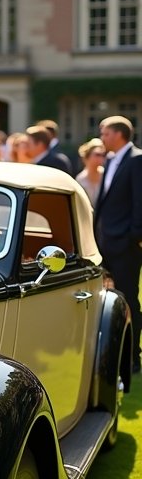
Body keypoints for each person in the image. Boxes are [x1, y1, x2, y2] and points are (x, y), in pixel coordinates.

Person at [93, 115, 142, 374]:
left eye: (105, 132)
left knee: (128, 298)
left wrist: (133, 236)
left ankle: (133, 357)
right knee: (107, 300)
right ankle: (110, 353)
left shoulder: (136, 159)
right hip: (104, 242)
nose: (101, 136)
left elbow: (139, 201)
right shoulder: (110, 159)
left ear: (119, 134)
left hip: (124, 243)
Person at [75, 138, 105, 207]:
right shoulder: (80, 179)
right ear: (87, 156)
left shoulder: (106, 175)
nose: (101, 158)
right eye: (97, 154)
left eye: (103, 155)